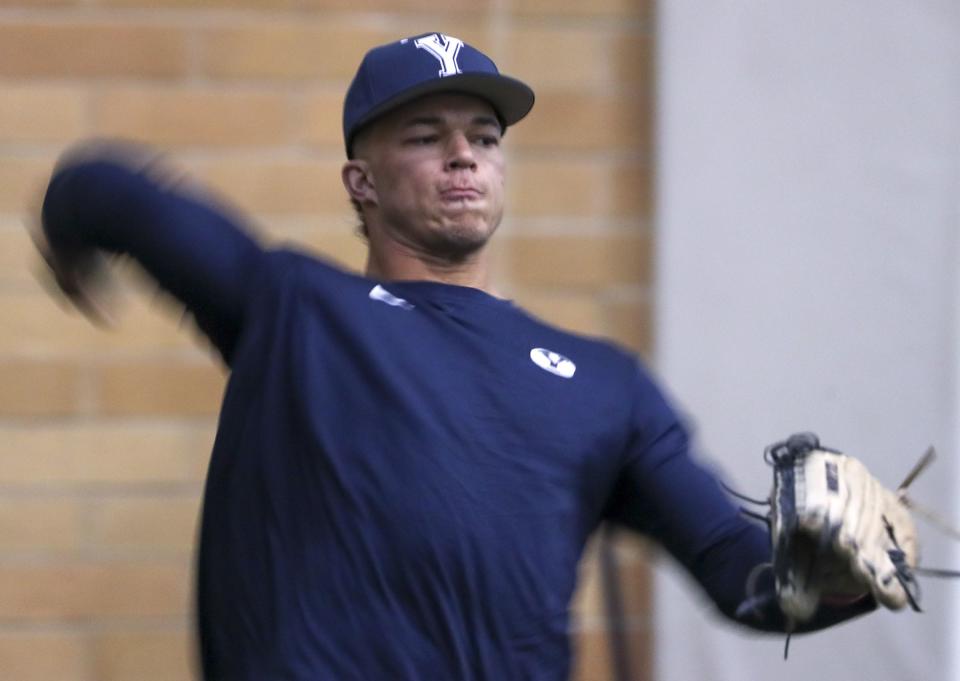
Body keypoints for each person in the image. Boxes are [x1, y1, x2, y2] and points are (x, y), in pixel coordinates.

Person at [36, 32, 908, 680]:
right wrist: (72, 248)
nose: (464, 153)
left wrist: (841, 580)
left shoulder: (605, 384)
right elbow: (109, 189)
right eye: (425, 134)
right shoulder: (297, 309)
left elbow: (740, 572)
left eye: (484, 137)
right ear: (361, 182)